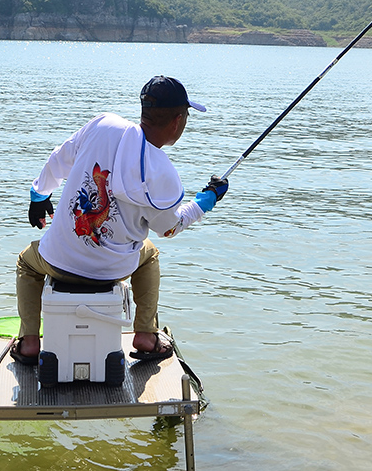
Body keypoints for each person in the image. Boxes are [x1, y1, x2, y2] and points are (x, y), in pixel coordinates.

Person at [13, 75, 228, 364]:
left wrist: (39, 195)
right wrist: (207, 201)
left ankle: (28, 342)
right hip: (113, 270)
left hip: (58, 261)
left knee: (27, 262)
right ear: (177, 121)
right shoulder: (164, 174)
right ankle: (146, 335)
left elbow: (59, 159)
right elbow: (169, 228)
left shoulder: (103, 125)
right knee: (149, 254)